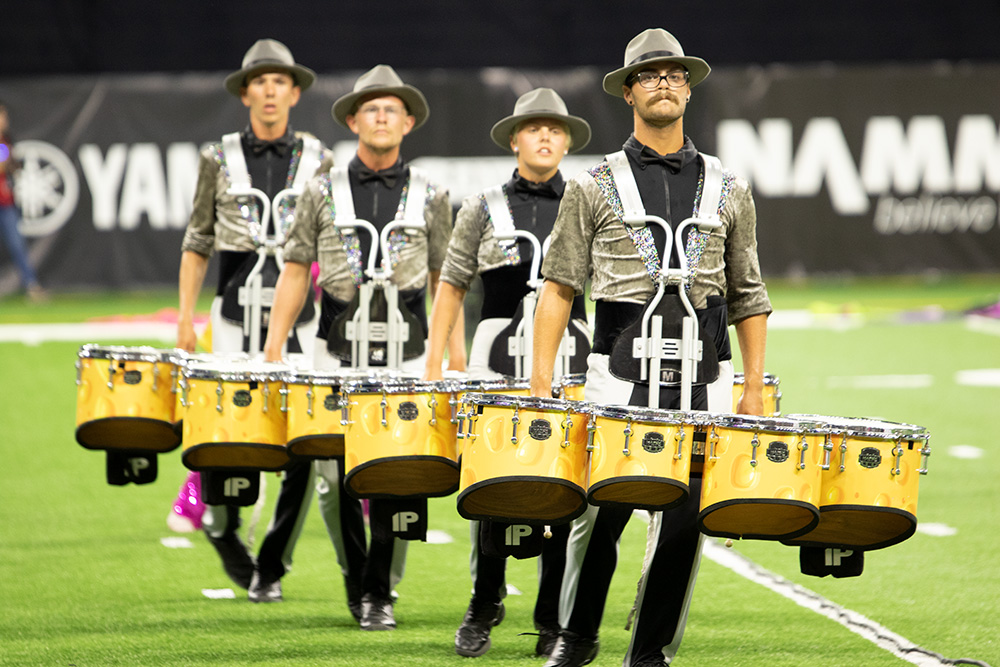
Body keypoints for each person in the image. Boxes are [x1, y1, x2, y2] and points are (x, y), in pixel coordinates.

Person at [528, 29, 771, 667]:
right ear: (629, 91)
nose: (663, 82)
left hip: (705, 379)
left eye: (674, 73)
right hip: (617, 375)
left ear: (688, 89)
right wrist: (539, 382)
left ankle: (650, 652)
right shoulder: (591, 184)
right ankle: (576, 636)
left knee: (687, 519)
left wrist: (752, 387)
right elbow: (558, 287)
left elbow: (748, 294)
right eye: (649, 74)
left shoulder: (730, 186)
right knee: (597, 511)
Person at [263, 64, 461, 630]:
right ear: (353, 121)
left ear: (408, 123)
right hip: (334, 352)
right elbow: (296, 269)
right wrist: (275, 347)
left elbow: (445, 279)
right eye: (370, 108)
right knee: (331, 480)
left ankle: (378, 590)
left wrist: (454, 356)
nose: (381, 117)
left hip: (408, 354)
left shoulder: (431, 194)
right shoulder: (320, 189)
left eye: (391, 109)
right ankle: (359, 579)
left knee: (398, 472)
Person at [423, 88, 592, 658]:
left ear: (566, 142)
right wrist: (435, 363)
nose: (545, 136)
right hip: (494, 357)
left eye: (555, 129)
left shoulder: (590, 201)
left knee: (563, 486)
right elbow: (451, 284)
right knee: (490, 482)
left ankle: (550, 617)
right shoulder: (481, 205)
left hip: (572, 356)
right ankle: (484, 601)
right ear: (515, 139)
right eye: (534, 127)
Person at [174, 39, 333, 602]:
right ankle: (220, 527)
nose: (269, 91)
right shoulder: (216, 157)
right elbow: (198, 239)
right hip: (233, 319)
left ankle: (272, 562)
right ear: (245, 94)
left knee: (304, 445)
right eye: (259, 81)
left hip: (303, 324)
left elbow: (331, 246)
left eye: (279, 81)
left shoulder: (319, 158)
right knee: (228, 440)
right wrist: (186, 319)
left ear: (294, 92)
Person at [0, 101, 47, 302]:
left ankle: (31, 285)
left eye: (4, 117)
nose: (4, 121)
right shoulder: (3, 144)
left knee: (17, 245)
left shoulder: (7, 140)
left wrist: (12, 165)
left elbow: (10, 168)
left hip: (6, 203)